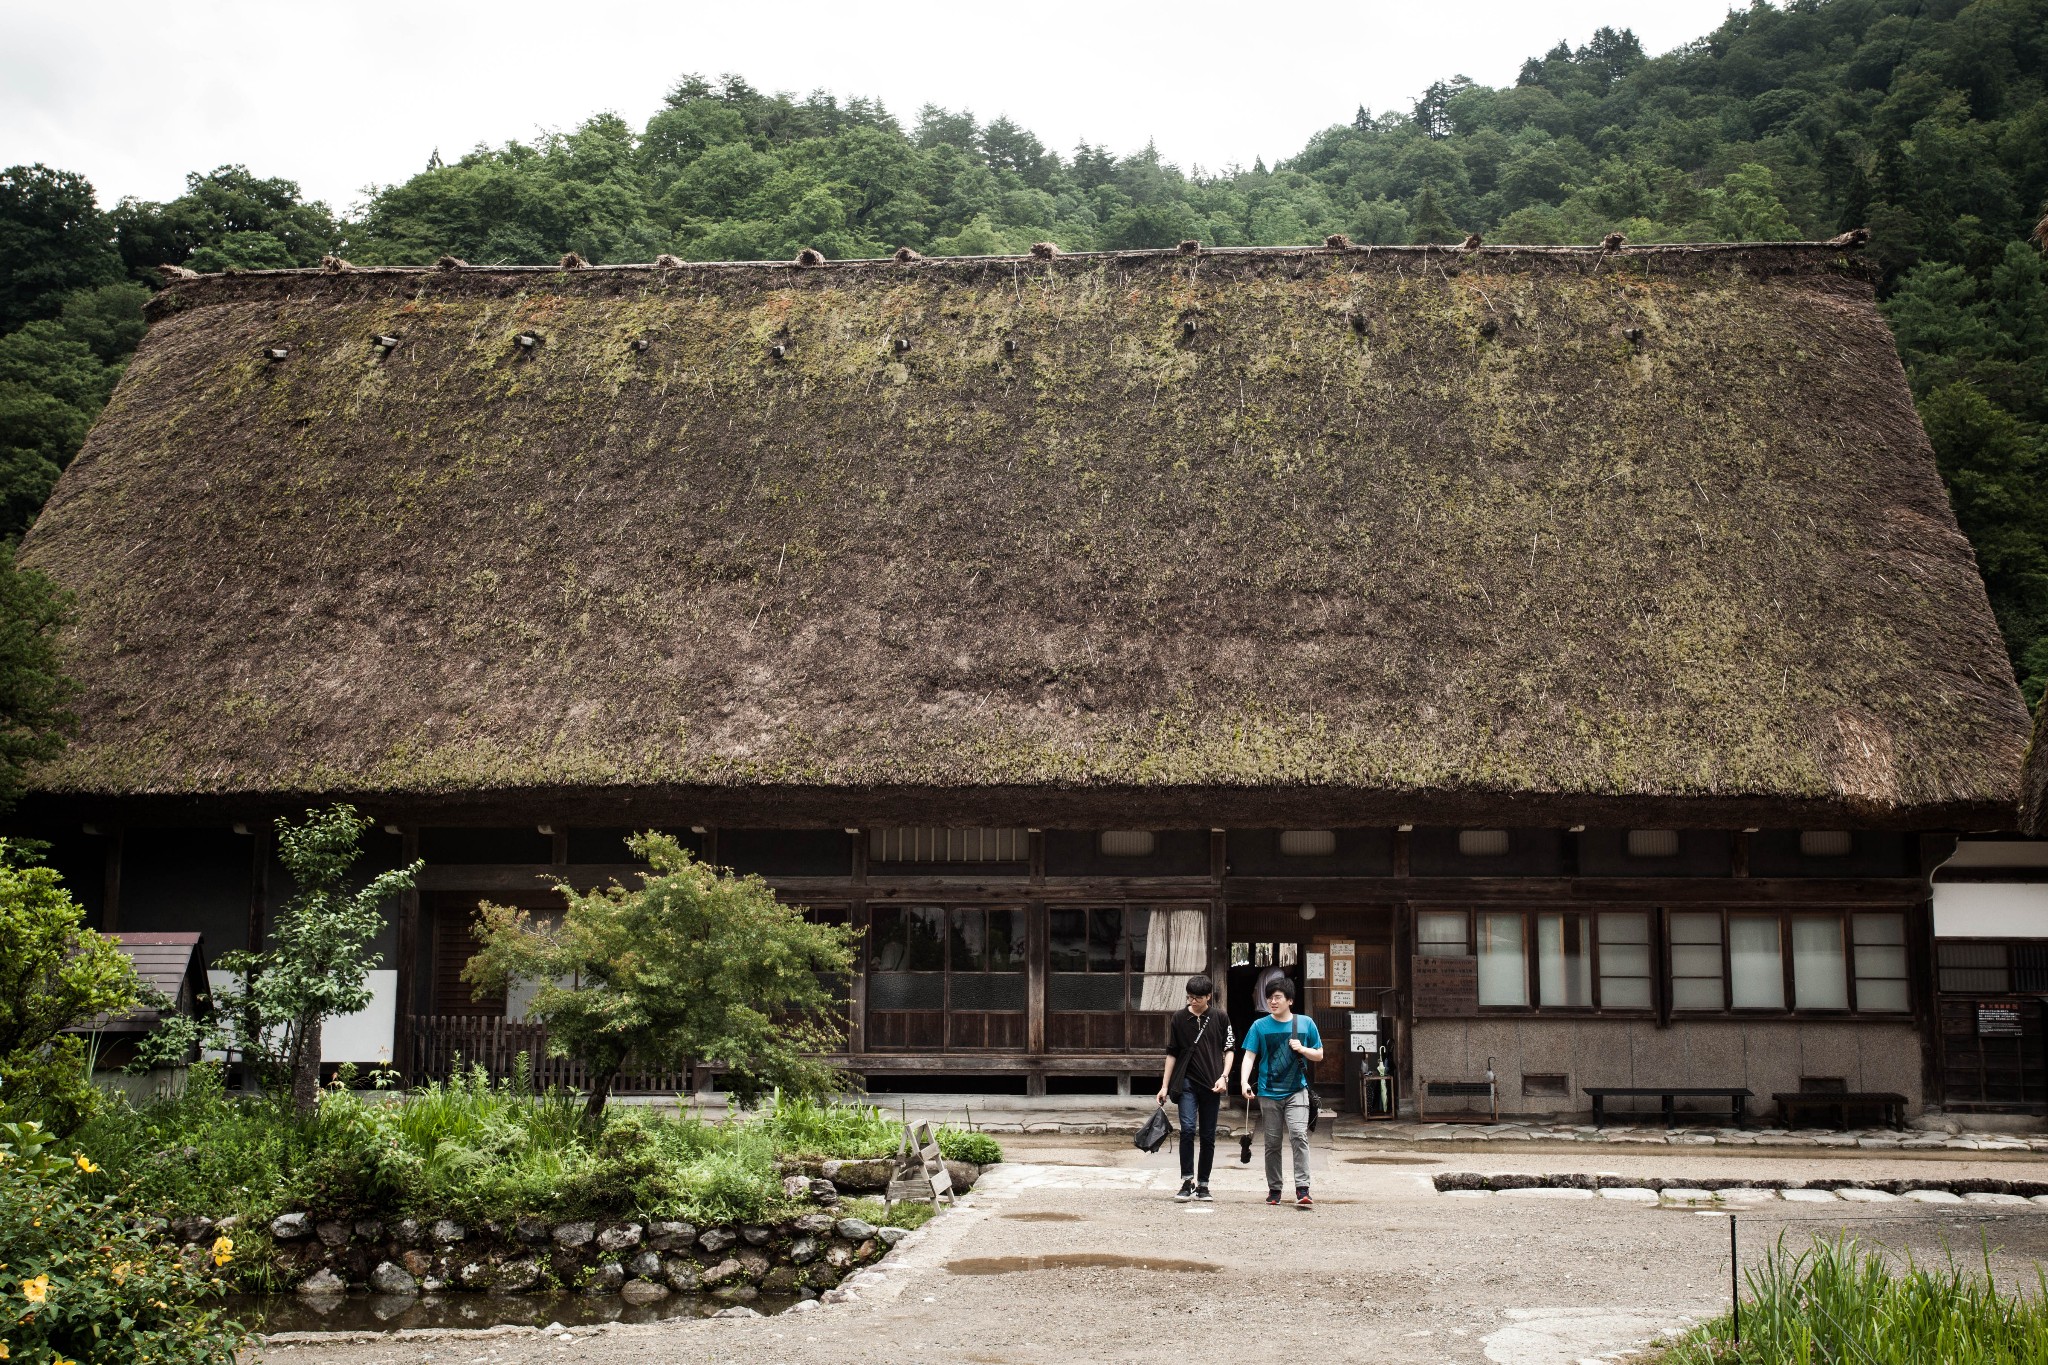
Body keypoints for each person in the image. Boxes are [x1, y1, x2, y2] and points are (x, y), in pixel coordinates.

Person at [1237, 978, 1323, 1208]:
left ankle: (1303, 1189)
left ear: (1290, 1000)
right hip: (1267, 1092)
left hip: (1297, 1090)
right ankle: (1274, 1189)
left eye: (1277, 997)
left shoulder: (1305, 1024)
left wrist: (1302, 1049)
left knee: (1298, 1135)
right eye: (1269, 997)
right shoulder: (1259, 1026)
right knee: (1272, 1143)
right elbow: (1249, 1056)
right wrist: (1244, 1081)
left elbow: (1319, 1054)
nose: (1272, 1002)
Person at [1155, 974, 1234, 1201]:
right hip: (1187, 1082)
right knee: (1187, 1130)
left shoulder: (1220, 1017)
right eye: (1189, 997)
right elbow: (1172, 1053)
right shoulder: (1179, 1018)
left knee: (1208, 1135)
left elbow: (1229, 1049)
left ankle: (1204, 1184)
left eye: (1197, 997)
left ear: (1209, 996)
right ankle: (1187, 1180)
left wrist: (1224, 1076)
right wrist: (1164, 1086)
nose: (1192, 1001)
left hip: (1212, 1083)